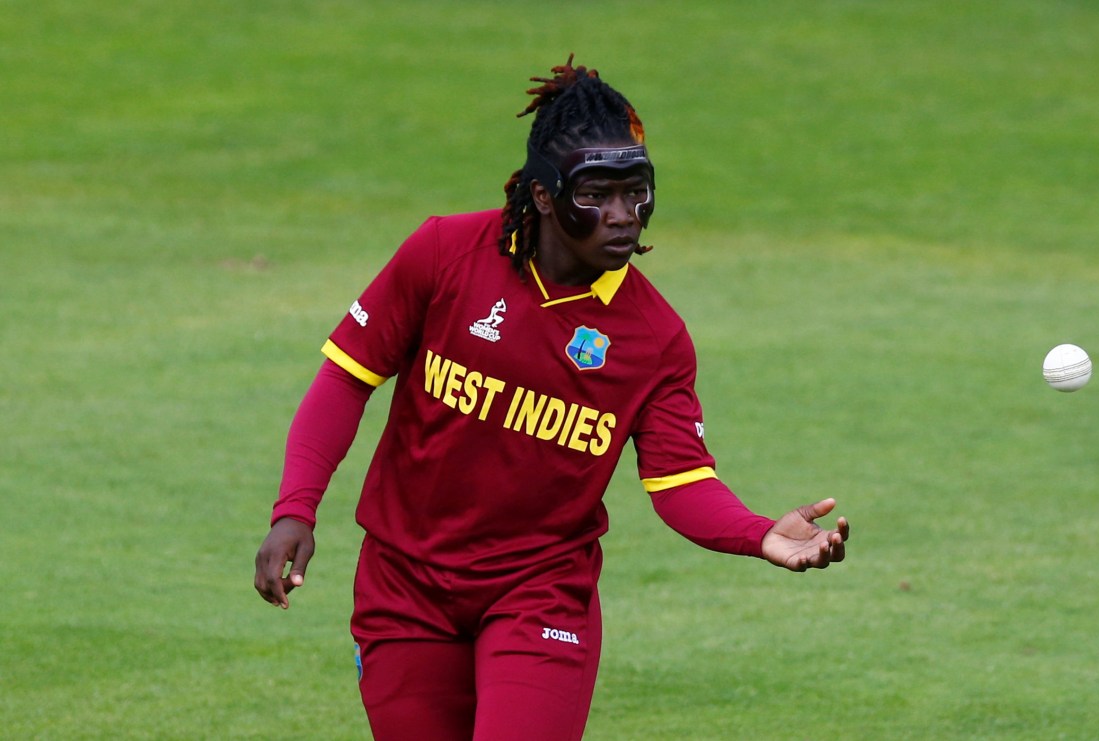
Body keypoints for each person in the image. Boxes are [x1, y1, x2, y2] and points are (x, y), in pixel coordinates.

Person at [254, 55, 849, 741]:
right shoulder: (444, 252)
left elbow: (681, 482)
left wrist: (758, 532)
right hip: (404, 586)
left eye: (638, 192)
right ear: (542, 194)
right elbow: (345, 379)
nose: (624, 216)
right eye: (598, 194)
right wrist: (294, 509)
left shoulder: (655, 338)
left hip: (540, 591)